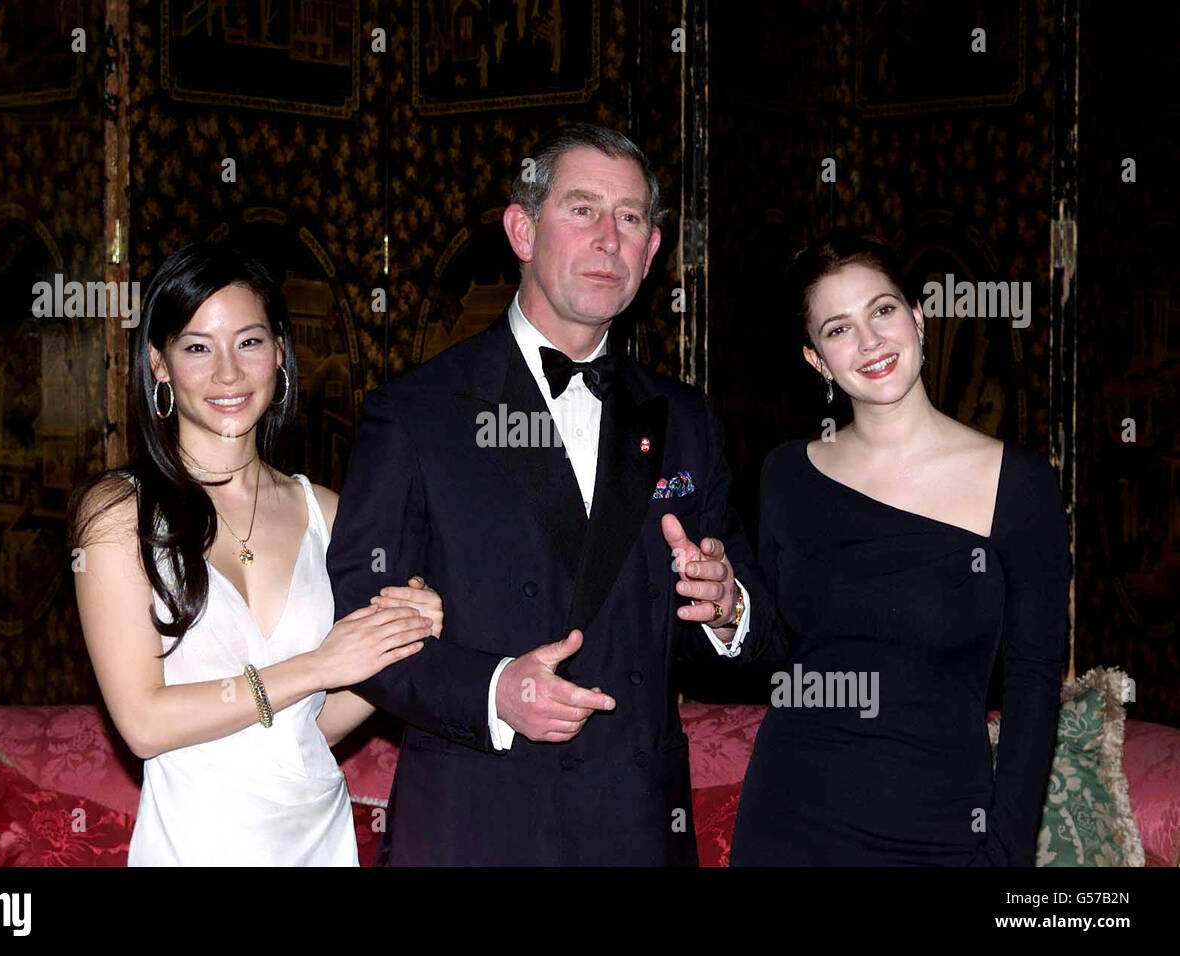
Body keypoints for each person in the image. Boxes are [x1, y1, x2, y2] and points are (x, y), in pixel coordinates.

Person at [326, 123, 786, 865]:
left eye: (630, 218)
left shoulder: (686, 420)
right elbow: (359, 625)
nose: (609, 238)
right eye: (582, 209)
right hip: (476, 829)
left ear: (652, 251)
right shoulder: (417, 413)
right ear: (522, 229)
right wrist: (494, 690)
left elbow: (751, 650)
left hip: (636, 831)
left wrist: (729, 610)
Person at [70, 242, 440, 865]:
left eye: (248, 342)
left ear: (279, 355)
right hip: (192, 845)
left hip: (316, 837)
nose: (228, 374)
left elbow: (304, 729)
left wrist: (403, 637)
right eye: (197, 347)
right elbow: (142, 722)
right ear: (158, 364)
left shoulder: (327, 513)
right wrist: (319, 666)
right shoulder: (117, 514)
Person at [730, 230, 1070, 865]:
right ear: (817, 361)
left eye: (882, 311)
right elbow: (776, 654)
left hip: (940, 827)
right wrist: (730, 612)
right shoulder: (786, 476)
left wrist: (1007, 851)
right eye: (838, 329)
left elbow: (1034, 680)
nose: (869, 342)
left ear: (916, 318)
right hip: (790, 817)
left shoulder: (1019, 484)